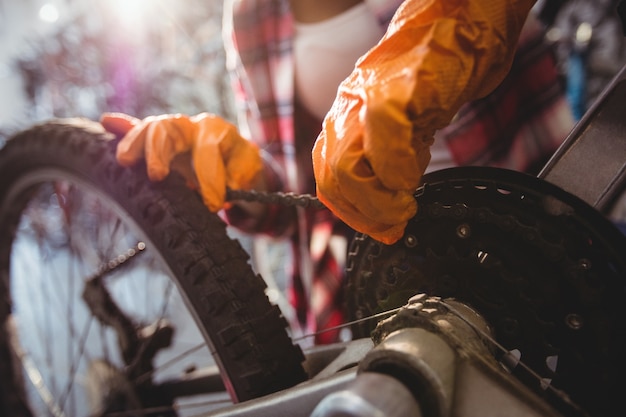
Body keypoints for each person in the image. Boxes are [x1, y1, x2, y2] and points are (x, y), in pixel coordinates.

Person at [102, 0, 564, 344]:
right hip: (376, 293)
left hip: (532, 233)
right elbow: (296, 198)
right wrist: (236, 177)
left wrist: (453, 29)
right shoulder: (251, 13)